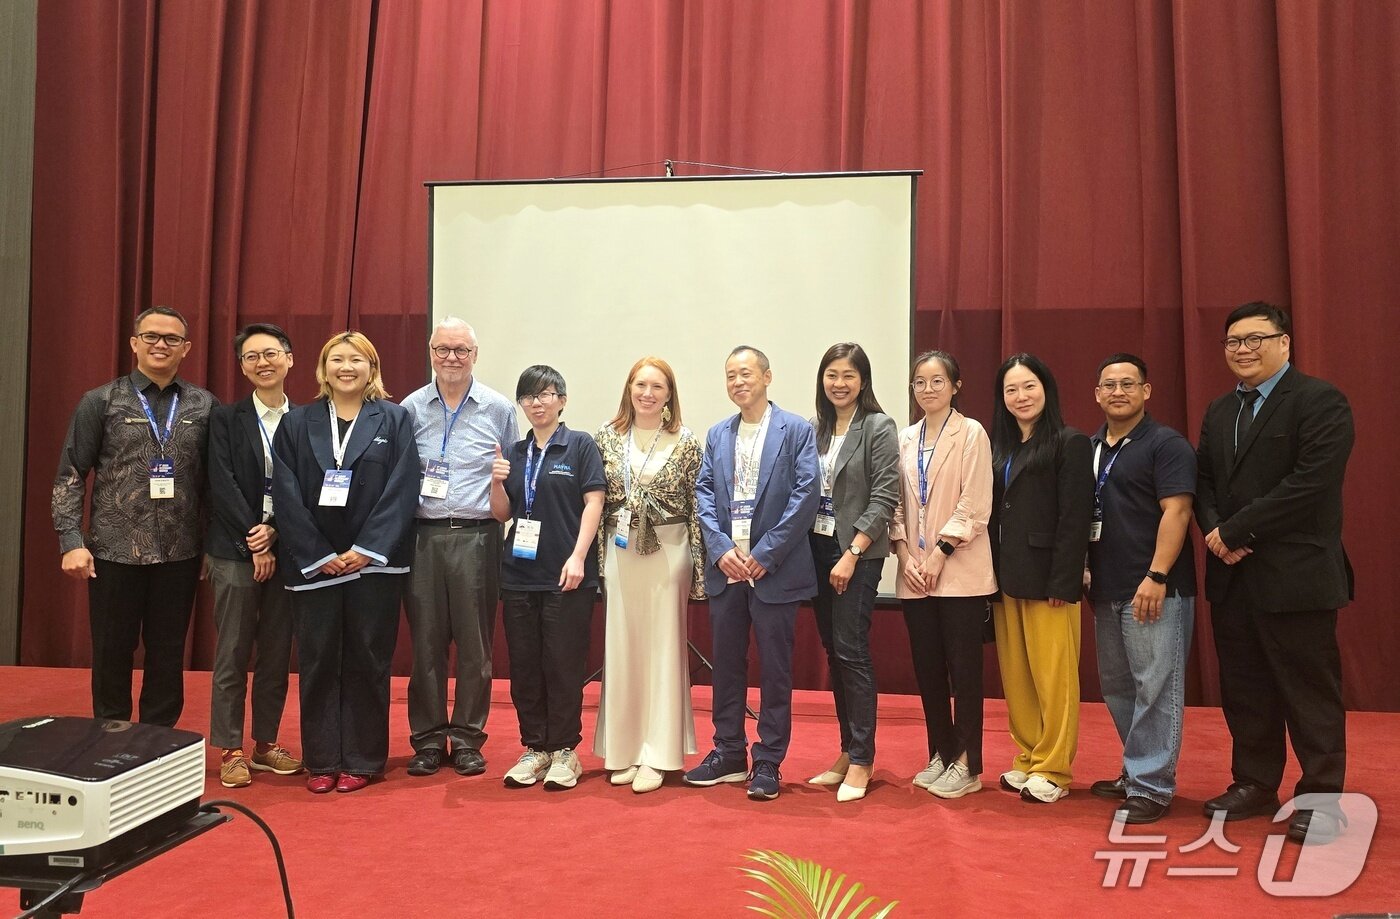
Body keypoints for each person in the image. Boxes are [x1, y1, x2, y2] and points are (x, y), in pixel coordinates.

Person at [1195, 302, 1354, 845]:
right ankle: (1255, 783)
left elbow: (1311, 483)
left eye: (1255, 339)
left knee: (1309, 691)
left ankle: (1321, 799)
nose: (1243, 350)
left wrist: (1236, 530)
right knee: (1245, 688)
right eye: (1233, 341)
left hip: (1296, 576)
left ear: (1285, 342)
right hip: (1232, 575)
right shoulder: (1220, 410)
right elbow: (1204, 480)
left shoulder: (1319, 400)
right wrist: (1215, 532)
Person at [53, 306, 216, 727]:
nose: (161, 344)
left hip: (180, 553)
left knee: (168, 654)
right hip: (113, 552)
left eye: (172, 338)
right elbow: (71, 474)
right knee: (112, 651)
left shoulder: (204, 405)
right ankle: (111, 737)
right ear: (134, 343)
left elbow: (214, 483)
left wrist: (214, 544)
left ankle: (159, 742)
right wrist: (71, 541)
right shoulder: (100, 400)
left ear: (186, 348)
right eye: (151, 336)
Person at [271, 331, 420, 794]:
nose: (347, 367)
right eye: (337, 359)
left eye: (357, 359)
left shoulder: (394, 419)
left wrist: (367, 549)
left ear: (372, 368)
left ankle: (362, 759)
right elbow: (285, 491)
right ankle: (321, 760)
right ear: (323, 368)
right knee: (317, 661)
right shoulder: (297, 422)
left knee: (368, 660)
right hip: (314, 565)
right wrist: (319, 554)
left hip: (372, 565)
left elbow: (403, 487)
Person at [685, 346, 819, 802]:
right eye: (730, 375)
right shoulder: (718, 433)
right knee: (726, 665)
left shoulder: (795, 430)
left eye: (745, 373)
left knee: (775, 670)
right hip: (727, 570)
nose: (738, 382)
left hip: (773, 571)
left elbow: (806, 495)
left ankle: (768, 761)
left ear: (767, 376)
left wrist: (766, 553)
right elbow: (703, 493)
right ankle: (728, 752)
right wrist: (720, 549)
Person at [400, 318, 517, 779]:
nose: (451, 357)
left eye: (461, 350)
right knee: (426, 646)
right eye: (443, 349)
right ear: (431, 352)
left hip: (478, 536)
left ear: (475, 355)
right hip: (423, 537)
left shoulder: (498, 408)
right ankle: (428, 740)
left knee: (474, 646)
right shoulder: (410, 408)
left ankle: (468, 738)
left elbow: (513, 474)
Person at [1084, 353, 1196, 824]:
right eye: (1109, 385)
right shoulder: (1092, 447)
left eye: (1128, 384)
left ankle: (1152, 786)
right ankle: (1136, 771)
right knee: (1118, 688)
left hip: (1153, 588)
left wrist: (1157, 575)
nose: (1118, 392)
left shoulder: (1165, 444)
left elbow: (1178, 511)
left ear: (1146, 391)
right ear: (1097, 394)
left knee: (1156, 687)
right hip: (1105, 587)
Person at [490, 365, 606, 791]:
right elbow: (502, 514)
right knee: (525, 666)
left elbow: (594, 502)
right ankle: (535, 747)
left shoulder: (579, 445)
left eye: (545, 394)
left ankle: (564, 750)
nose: (536, 403)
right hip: (519, 575)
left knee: (563, 664)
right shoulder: (515, 452)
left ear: (562, 400)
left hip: (566, 576)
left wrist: (578, 557)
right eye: (528, 397)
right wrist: (495, 483)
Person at [593, 358, 705, 794]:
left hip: (669, 552)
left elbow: (697, 506)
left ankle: (658, 754)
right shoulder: (606, 436)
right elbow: (595, 501)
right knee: (623, 648)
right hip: (620, 551)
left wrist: (698, 568)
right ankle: (624, 750)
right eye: (640, 384)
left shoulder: (687, 442)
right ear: (629, 388)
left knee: (663, 650)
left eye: (658, 386)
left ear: (669, 394)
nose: (647, 393)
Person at [889, 350, 997, 800]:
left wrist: (938, 553)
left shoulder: (971, 433)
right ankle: (940, 751)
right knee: (929, 670)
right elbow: (895, 503)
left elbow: (975, 503)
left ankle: (967, 763)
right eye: (920, 382)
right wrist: (903, 554)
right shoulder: (904, 438)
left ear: (955, 386)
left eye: (937, 381)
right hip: (914, 574)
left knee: (964, 672)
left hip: (959, 571)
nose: (928, 389)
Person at [989, 353, 1094, 804]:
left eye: (1029, 386)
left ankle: (1054, 769)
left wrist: (1063, 583)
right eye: (1011, 389)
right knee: (1018, 676)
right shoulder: (1002, 447)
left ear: (1046, 389)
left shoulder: (1070, 442)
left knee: (1054, 678)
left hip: (1049, 579)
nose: (1020, 396)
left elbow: (1075, 519)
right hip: (1006, 577)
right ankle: (1029, 756)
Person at [205, 323, 303, 787]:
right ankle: (230, 749)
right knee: (232, 652)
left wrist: (275, 532)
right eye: (251, 357)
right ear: (243, 367)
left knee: (276, 654)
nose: (262, 363)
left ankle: (265, 744)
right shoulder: (225, 419)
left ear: (289, 359)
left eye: (270, 353)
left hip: (288, 550)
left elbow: (309, 487)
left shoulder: (306, 420)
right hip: (233, 549)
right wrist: (254, 539)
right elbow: (220, 484)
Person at [803, 343, 898, 803]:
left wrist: (853, 552)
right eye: (831, 375)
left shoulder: (878, 426)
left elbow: (884, 496)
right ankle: (847, 750)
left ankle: (862, 758)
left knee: (851, 650)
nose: (839, 384)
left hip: (856, 554)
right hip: (816, 550)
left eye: (848, 376)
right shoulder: (815, 428)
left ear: (863, 381)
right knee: (834, 651)